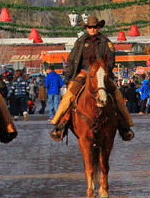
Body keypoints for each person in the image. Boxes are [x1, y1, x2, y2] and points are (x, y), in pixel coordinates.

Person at [49, 14, 135, 142]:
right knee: (69, 95)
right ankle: (60, 124)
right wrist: (69, 75)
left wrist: (102, 69)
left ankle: (125, 126)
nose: (92, 29)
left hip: (100, 73)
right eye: (90, 27)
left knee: (116, 95)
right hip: (83, 73)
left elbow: (110, 61)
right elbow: (71, 60)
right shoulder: (80, 42)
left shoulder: (106, 42)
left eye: (94, 27)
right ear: (87, 28)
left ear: (99, 27)